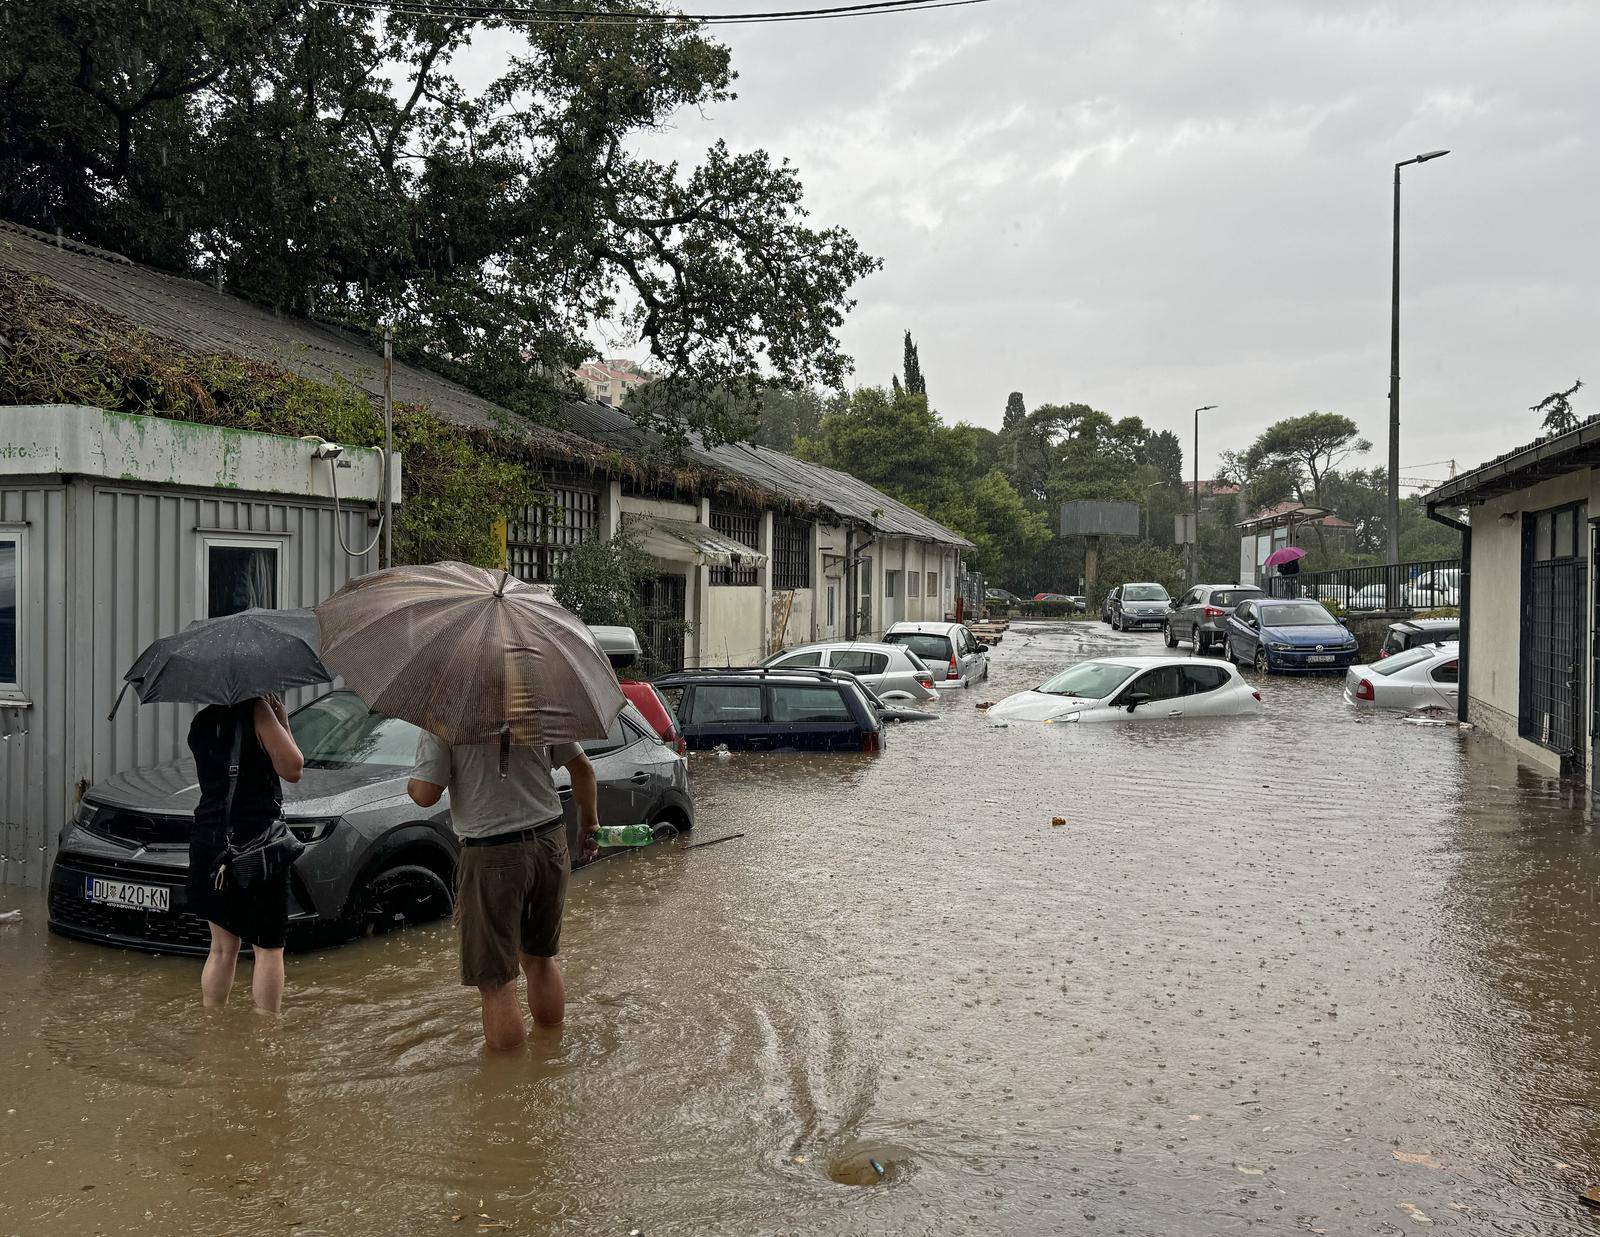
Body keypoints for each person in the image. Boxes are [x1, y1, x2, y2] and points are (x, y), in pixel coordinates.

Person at [407, 736, 600, 1051]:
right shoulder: (536, 704)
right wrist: (589, 824)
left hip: (492, 852)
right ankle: (551, 1053)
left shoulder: (447, 718)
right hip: (549, 843)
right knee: (540, 958)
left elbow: (426, 794)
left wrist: (413, 784)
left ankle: (508, 1088)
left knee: (496, 980)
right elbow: (584, 770)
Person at [187, 695, 304, 1013]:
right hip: (256, 847)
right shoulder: (258, 710)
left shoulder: (202, 722)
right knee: (268, 947)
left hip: (209, 842)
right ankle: (265, 1036)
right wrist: (282, 722)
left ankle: (213, 1023)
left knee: (223, 948)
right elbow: (293, 768)